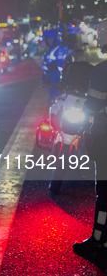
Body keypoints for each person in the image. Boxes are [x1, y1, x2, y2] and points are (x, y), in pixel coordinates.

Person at [73, 22, 107, 270]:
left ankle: (99, 241)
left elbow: (93, 105)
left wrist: (83, 118)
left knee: (105, 191)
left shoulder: (103, 70)